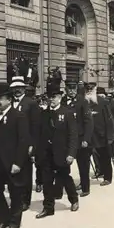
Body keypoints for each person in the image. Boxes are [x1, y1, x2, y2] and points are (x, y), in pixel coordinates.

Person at [0, 82, 30, 228]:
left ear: (9, 99)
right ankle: (4, 219)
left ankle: (14, 224)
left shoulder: (19, 116)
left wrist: (18, 163)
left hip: (12, 164)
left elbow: (24, 141)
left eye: (0, 98)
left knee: (15, 193)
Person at [36, 86, 79, 219]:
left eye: (54, 97)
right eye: (49, 97)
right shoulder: (43, 114)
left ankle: (74, 199)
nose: (51, 99)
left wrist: (71, 153)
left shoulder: (67, 113)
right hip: (46, 154)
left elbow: (73, 135)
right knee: (47, 182)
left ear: (60, 97)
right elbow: (39, 134)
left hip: (62, 153)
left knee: (65, 178)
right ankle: (48, 208)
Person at [10, 76, 41, 209]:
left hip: (26, 142)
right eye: (15, 88)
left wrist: (32, 145)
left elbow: (35, 126)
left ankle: (25, 200)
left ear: (24, 89)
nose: (17, 90)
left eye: (19, 88)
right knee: (12, 170)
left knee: (26, 172)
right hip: (11, 143)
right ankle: (15, 198)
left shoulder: (31, 103)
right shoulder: (9, 102)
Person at [58, 80, 93, 197]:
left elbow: (88, 122)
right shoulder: (62, 101)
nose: (72, 91)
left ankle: (85, 187)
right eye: (70, 89)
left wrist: (86, 139)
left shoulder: (82, 101)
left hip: (80, 138)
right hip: (66, 139)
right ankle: (63, 186)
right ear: (66, 89)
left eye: (74, 89)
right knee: (63, 164)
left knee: (83, 165)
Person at [86, 83, 114, 186]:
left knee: (105, 157)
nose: (89, 91)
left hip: (101, 135)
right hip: (89, 136)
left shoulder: (103, 102)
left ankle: (108, 177)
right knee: (92, 156)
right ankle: (99, 172)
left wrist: (110, 136)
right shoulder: (83, 102)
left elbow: (109, 120)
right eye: (87, 89)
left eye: (91, 89)